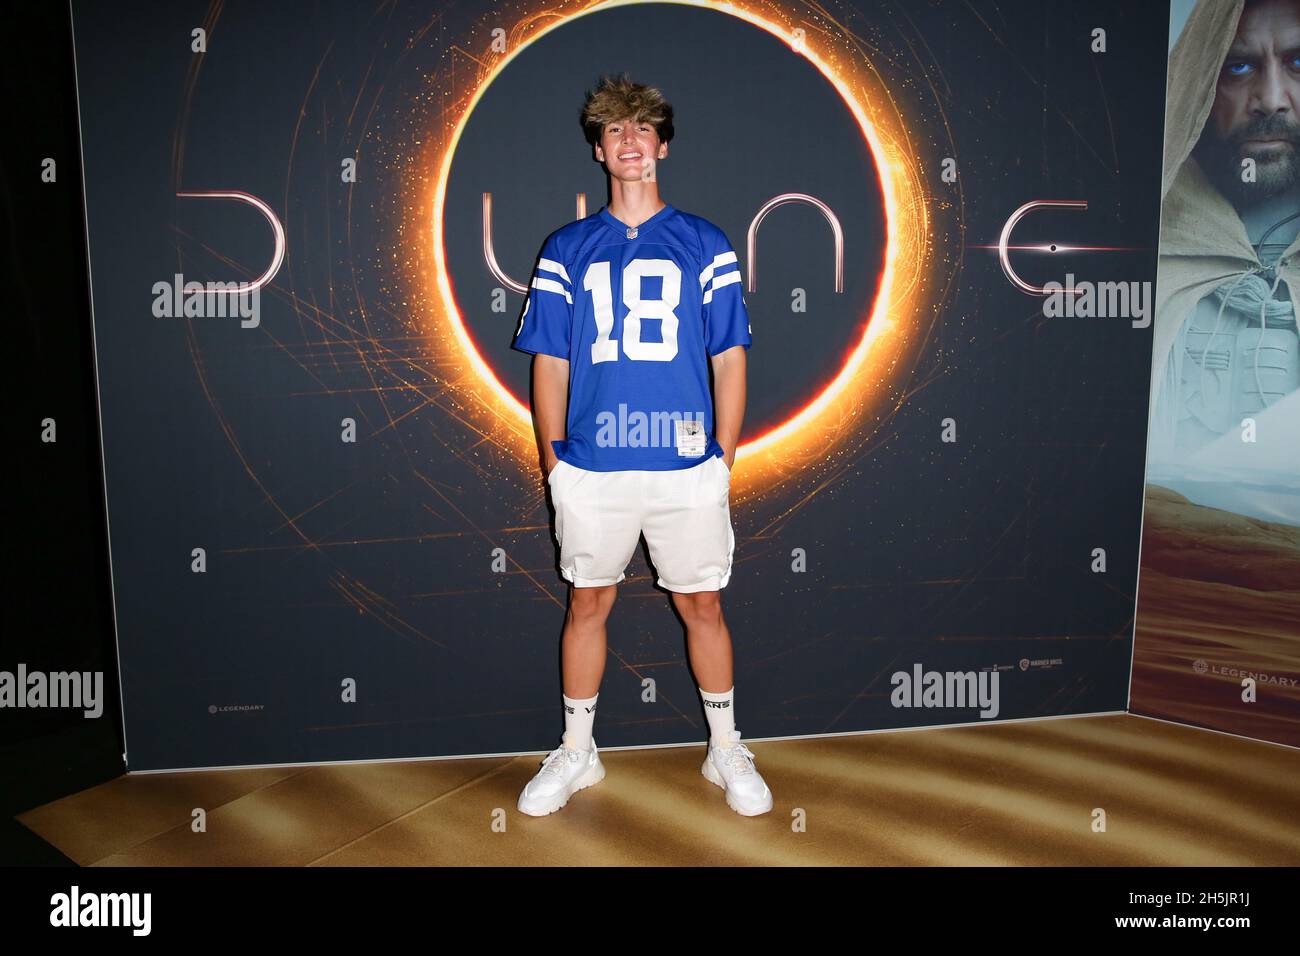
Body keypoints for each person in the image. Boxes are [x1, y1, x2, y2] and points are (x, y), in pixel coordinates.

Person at [510, 73, 773, 817]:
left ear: (662, 144)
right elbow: (551, 360)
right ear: (599, 149)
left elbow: (729, 355)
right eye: (615, 131)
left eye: (642, 129)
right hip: (593, 463)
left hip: (685, 461)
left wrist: (723, 454)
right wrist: (554, 460)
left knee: (703, 606)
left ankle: (726, 751)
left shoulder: (705, 242)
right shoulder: (567, 247)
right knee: (587, 601)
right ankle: (577, 751)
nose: (630, 142)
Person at [1150, 0, 1300, 494]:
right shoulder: (1146, 260)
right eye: (1239, 67)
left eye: (1299, 64)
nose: (1272, 98)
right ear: (1200, 85)